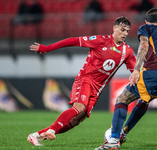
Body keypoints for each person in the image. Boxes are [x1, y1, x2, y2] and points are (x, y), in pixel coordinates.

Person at [27, 16, 136, 146]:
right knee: (79, 107)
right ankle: (52, 130)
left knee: (77, 120)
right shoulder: (100, 40)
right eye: (122, 29)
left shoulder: (127, 51)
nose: (124, 33)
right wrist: (47, 48)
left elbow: (135, 71)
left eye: (127, 31)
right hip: (85, 79)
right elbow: (72, 41)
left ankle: (36, 135)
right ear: (114, 28)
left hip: (98, 88)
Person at [95, 8, 157, 150]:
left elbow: (144, 45)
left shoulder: (145, 28)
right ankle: (123, 133)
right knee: (144, 100)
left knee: (122, 99)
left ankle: (113, 141)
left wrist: (136, 69)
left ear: (146, 21)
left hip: (155, 72)